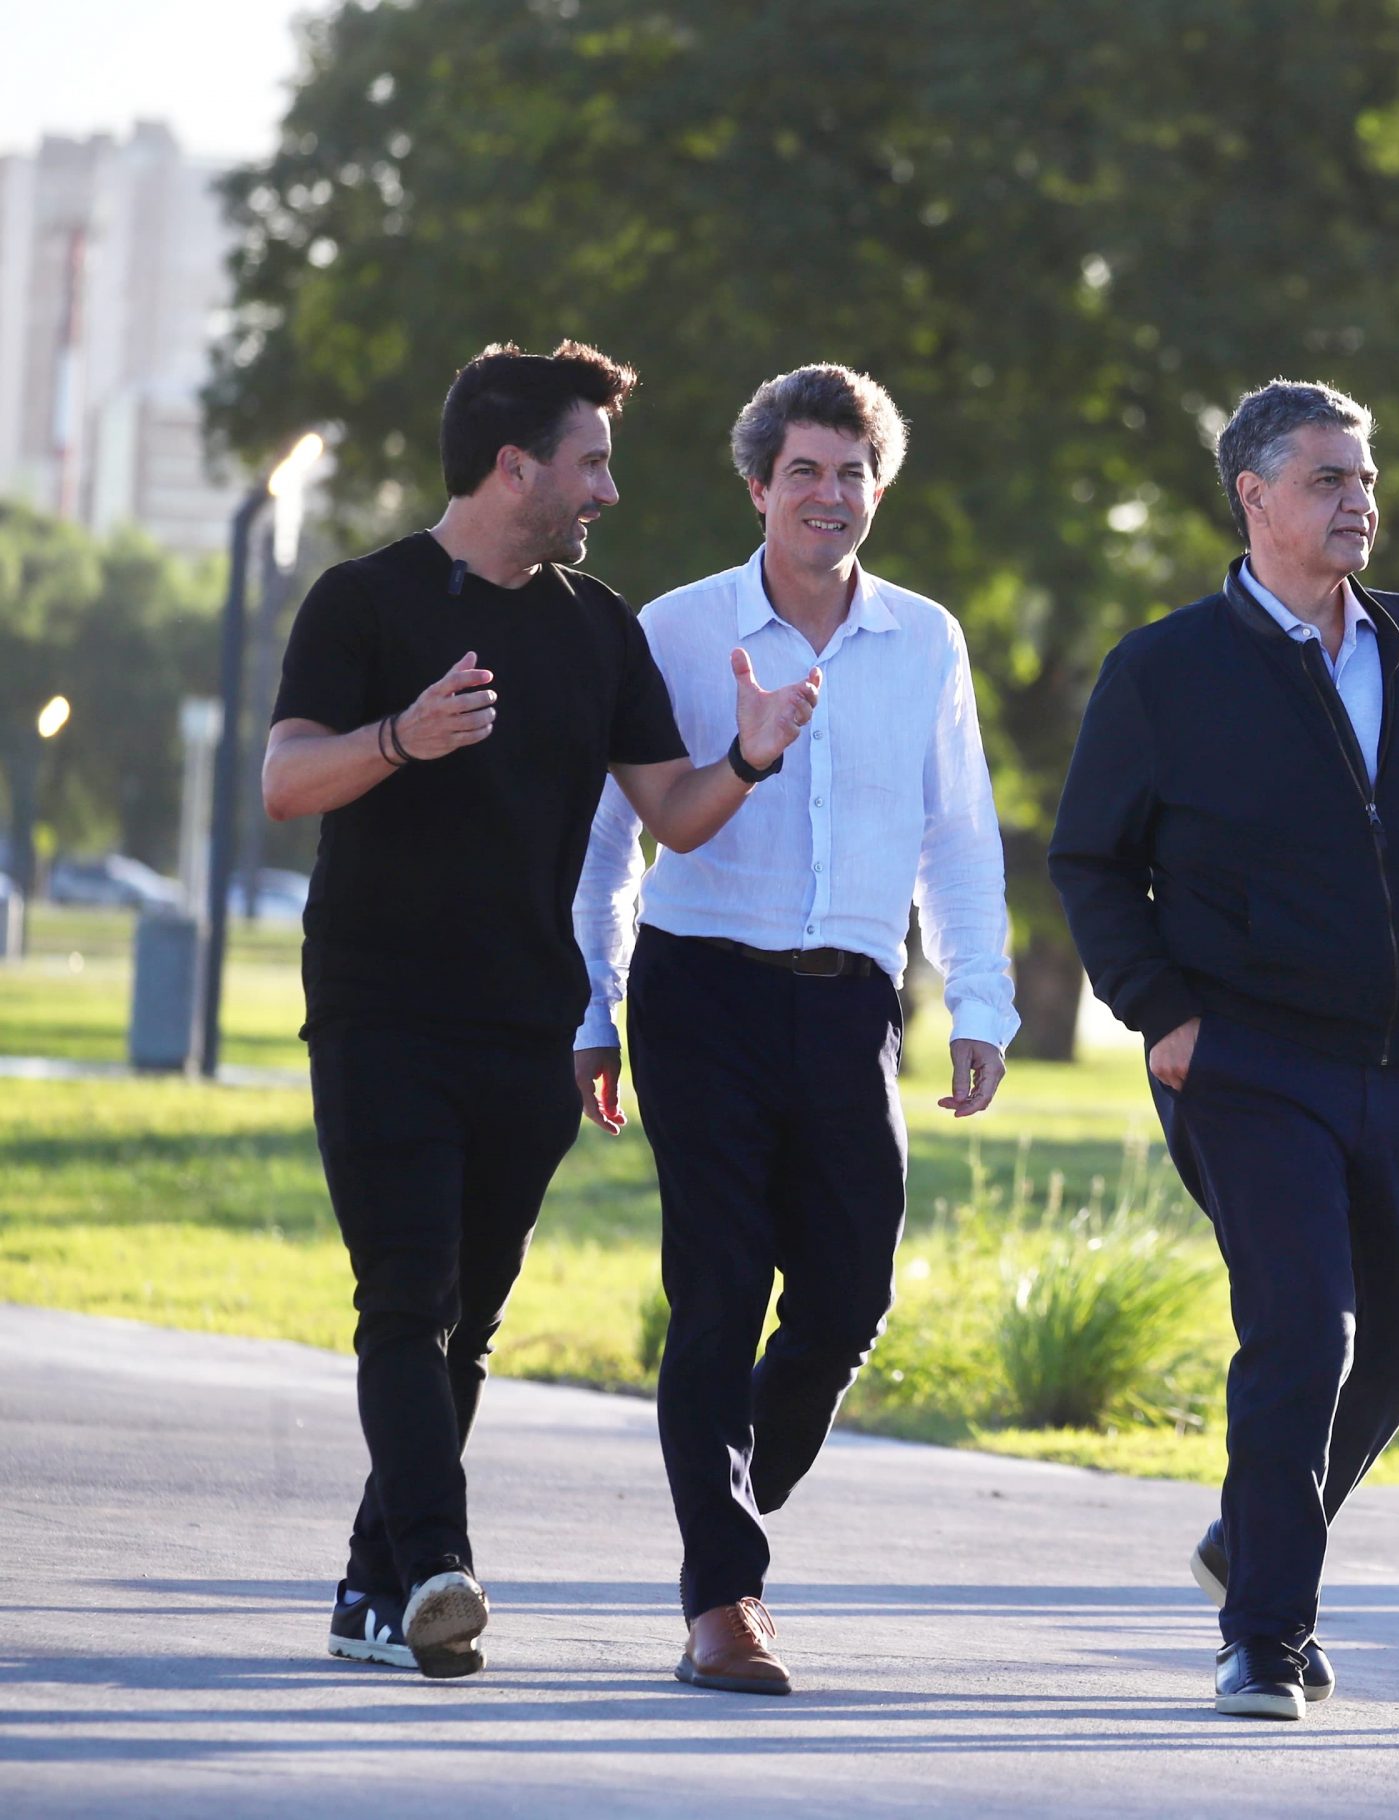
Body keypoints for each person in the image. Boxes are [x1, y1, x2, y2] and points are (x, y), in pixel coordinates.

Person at [264, 341, 820, 1680]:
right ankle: (437, 1569)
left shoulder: (594, 627)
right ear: (513, 467)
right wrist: (400, 738)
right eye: (591, 464)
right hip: (381, 1009)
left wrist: (749, 757)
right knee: (404, 1294)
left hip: (527, 1022)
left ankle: (373, 1588)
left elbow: (670, 809)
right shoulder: (364, 600)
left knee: (466, 1315)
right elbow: (286, 781)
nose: (607, 492)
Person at [1049, 378, 1399, 1721]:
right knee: (1300, 1331)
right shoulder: (1165, 669)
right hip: (1249, 1057)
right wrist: (1162, 1011)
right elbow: (1090, 861)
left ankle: (1258, 1535)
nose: (1359, 501)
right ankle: (1265, 1636)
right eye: (1329, 479)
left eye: (1366, 478)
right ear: (1254, 496)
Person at [572, 364, 1016, 1696]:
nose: (830, 494)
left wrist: (980, 999)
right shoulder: (675, 630)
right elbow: (608, 843)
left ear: (879, 489)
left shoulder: (925, 640)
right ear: (758, 486)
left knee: (848, 1295)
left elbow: (959, 834)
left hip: (851, 1001)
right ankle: (724, 1597)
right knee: (719, 1288)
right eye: (805, 471)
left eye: (852, 473)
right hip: (700, 990)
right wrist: (595, 1002)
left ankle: (720, 1500)